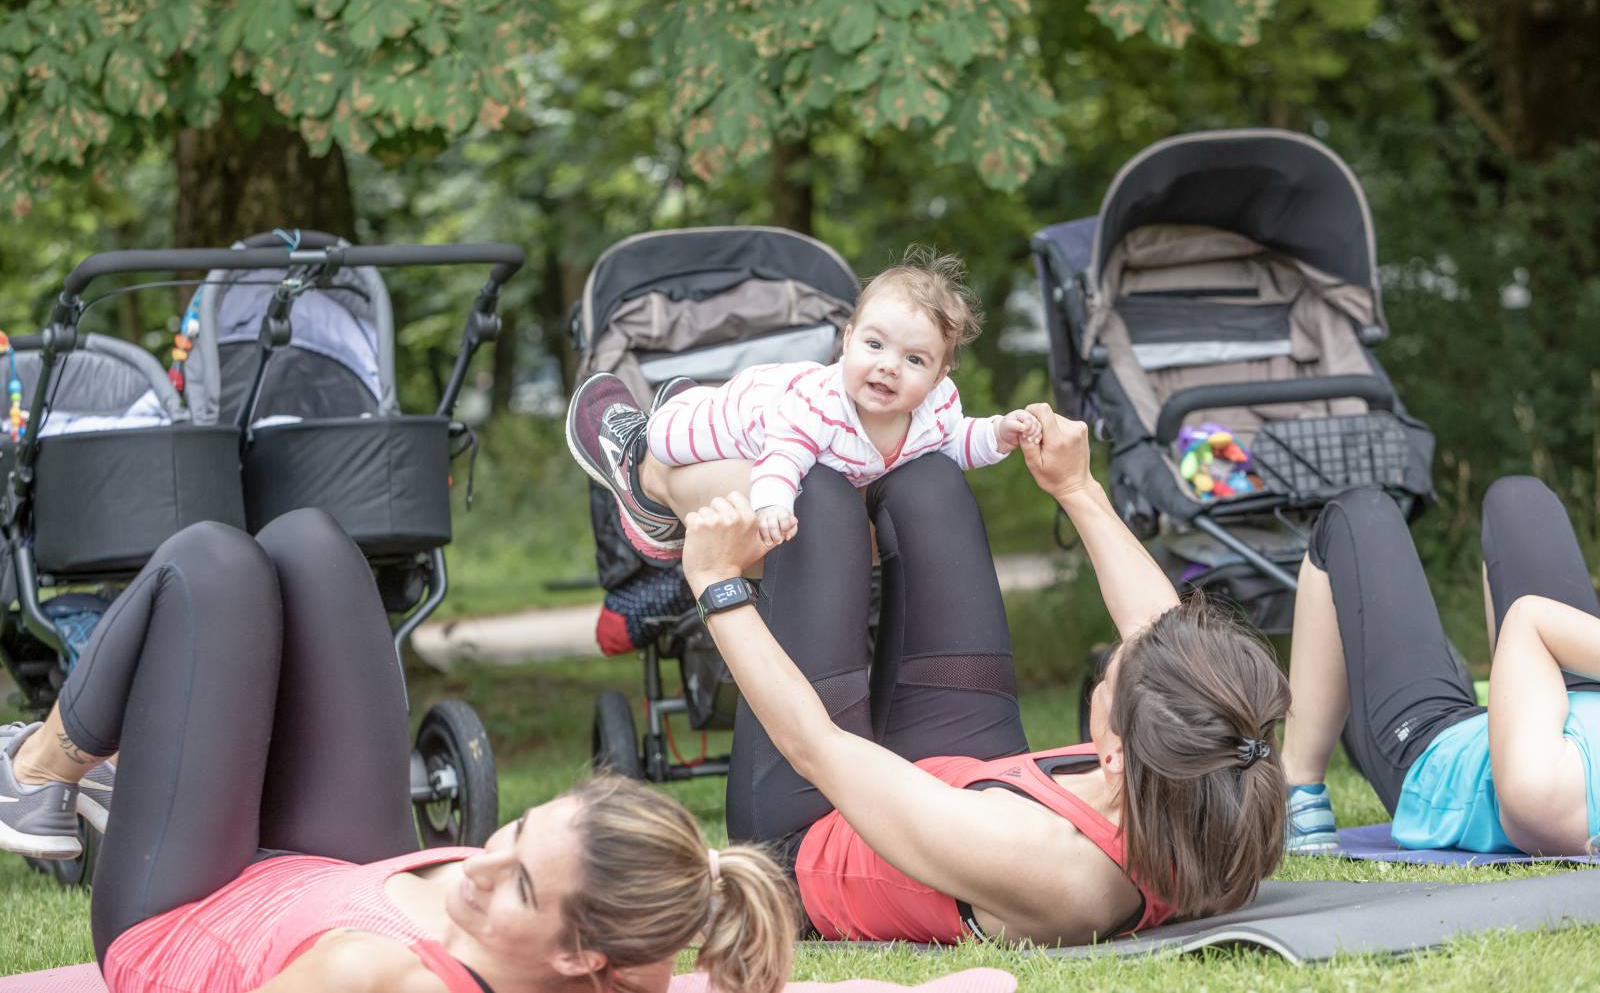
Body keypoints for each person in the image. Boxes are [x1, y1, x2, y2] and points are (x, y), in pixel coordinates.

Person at [575, 389, 1292, 945]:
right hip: (960, 781)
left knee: (815, 500)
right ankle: (770, 430)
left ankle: (651, 479)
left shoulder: (1048, 862)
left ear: (1112, 758)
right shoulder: (1214, 766)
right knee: (929, 480)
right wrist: (1077, 488)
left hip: (812, 821)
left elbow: (816, 748)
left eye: (1110, 679)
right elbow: (1157, 632)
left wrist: (716, 584)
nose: (1117, 654)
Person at [0, 510, 796, 993]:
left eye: (519, 883)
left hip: (184, 916)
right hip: (337, 876)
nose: (475, 862)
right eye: (515, 834)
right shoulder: (629, 954)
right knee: (309, 542)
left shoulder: (375, 978)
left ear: (577, 956)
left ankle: (39, 772)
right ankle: (127, 775)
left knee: (214, 564)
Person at [566, 249, 1040, 560]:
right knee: (673, 438)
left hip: (786, 425)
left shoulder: (936, 410)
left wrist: (999, 433)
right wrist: (772, 505)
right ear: (848, 341)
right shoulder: (821, 408)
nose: (889, 366)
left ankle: (672, 424)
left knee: (711, 435)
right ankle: (640, 455)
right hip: (754, 409)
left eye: (913, 359)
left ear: (939, 376)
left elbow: (957, 441)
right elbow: (781, 459)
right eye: (875, 346)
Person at [1280, 477, 1600, 857]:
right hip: (1571, 698)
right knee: (1520, 496)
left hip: (1434, 751)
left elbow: (1527, 622)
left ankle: (1298, 791)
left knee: (1360, 515)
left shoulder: (1552, 797)